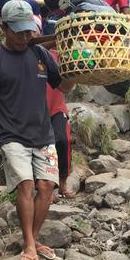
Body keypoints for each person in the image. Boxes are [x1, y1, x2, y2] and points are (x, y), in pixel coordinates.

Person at [0, 0, 72, 260]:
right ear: (4, 28)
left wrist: (77, 70)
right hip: (12, 135)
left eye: (28, 31)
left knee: (47, 188)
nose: (24, 37)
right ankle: (29, 243)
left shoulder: (40, 54)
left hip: (43, 133)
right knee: (26, 186)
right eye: (18, 32)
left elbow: (61, 84)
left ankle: (34, 237)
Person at [46, 50, 74, 198]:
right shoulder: (31, 52)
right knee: (45, 146)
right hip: (38, 109)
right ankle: (47, 189)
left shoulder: (61, 55)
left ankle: (62, 182)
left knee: (63, 140)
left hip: (57, 107)